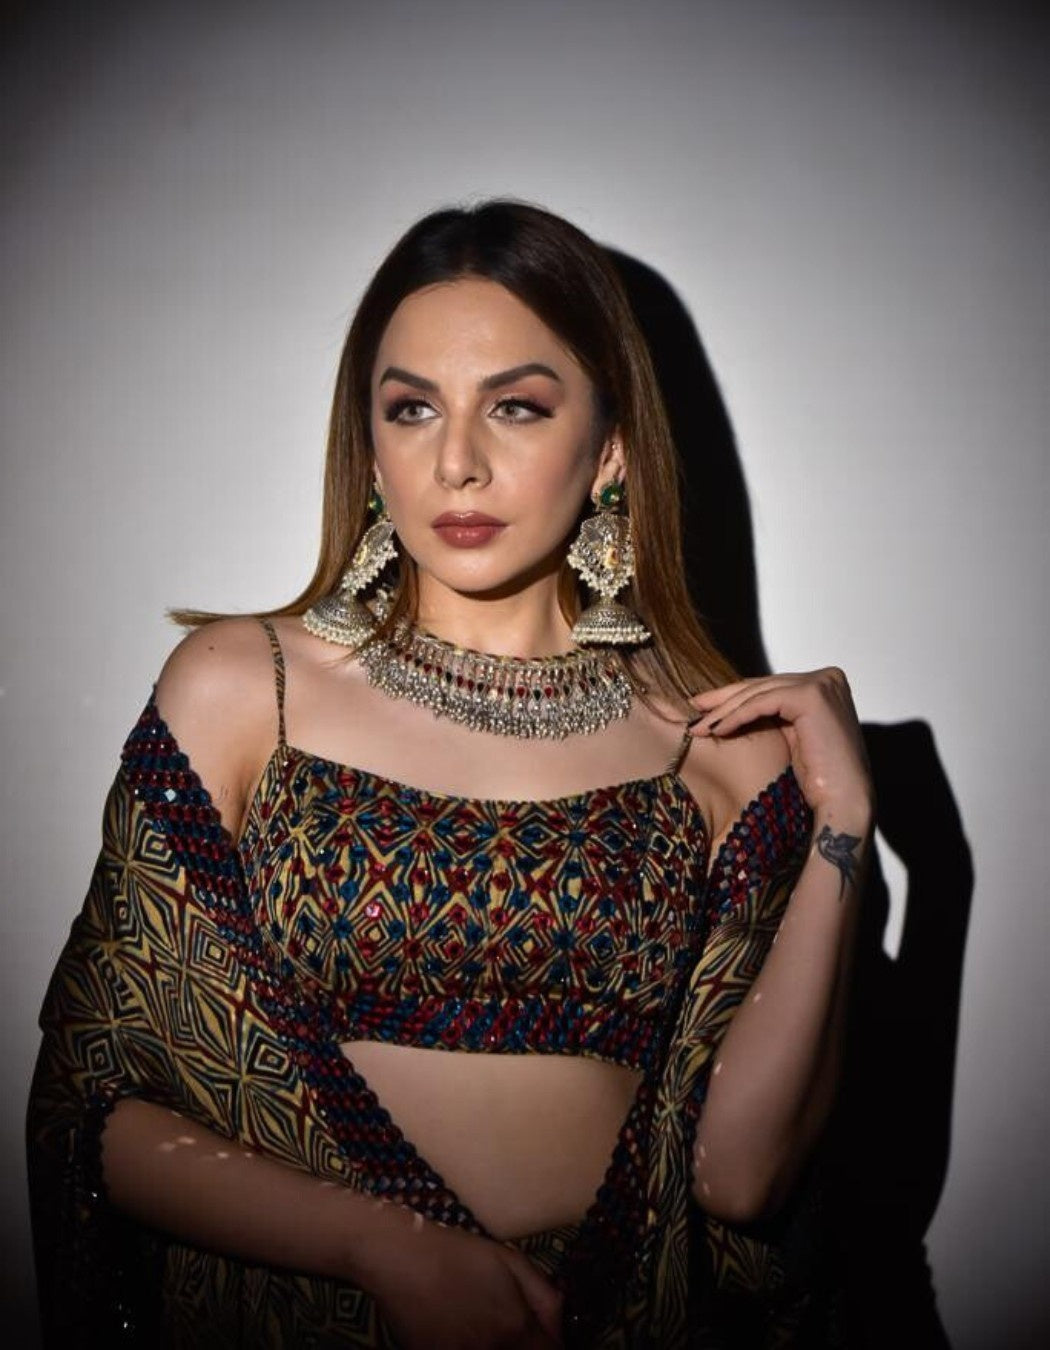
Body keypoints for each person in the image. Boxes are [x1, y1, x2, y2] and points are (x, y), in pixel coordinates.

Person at [26, 199, 873, 1349]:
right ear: (372, 453)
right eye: (412, 408)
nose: (458, 461)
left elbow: (742, 1181)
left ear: (611, 449)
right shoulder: (245, 690)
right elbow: (98, 1103)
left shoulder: (717, 750)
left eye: (516, 407)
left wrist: (842, 826)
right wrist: (383, 1247)